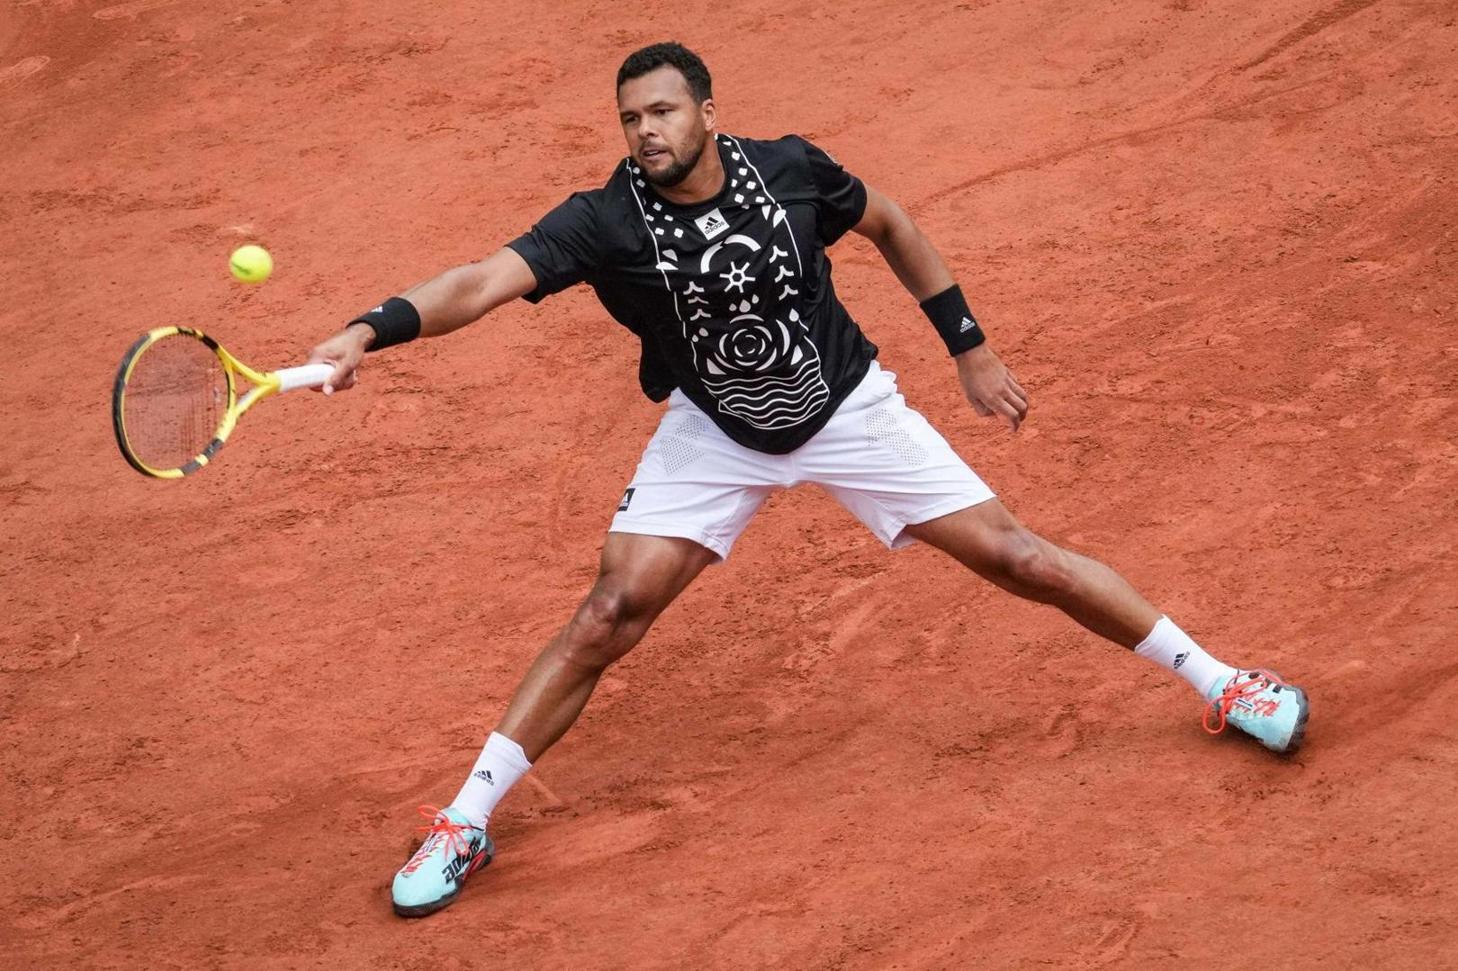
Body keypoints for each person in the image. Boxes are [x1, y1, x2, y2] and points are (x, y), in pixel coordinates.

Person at [308, 42, 1309, 918]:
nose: (644, 132)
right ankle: (464, 820)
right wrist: (366, 329)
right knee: (609, 611)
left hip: (849, 410)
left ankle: (1221, 681)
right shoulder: (605, 222)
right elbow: (480, 282)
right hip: (716, 432)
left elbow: (894, 224)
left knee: (1021, 557)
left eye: (661, 110)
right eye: (629, 118)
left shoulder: (790, 171)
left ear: (706, 111)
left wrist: (968, 345)